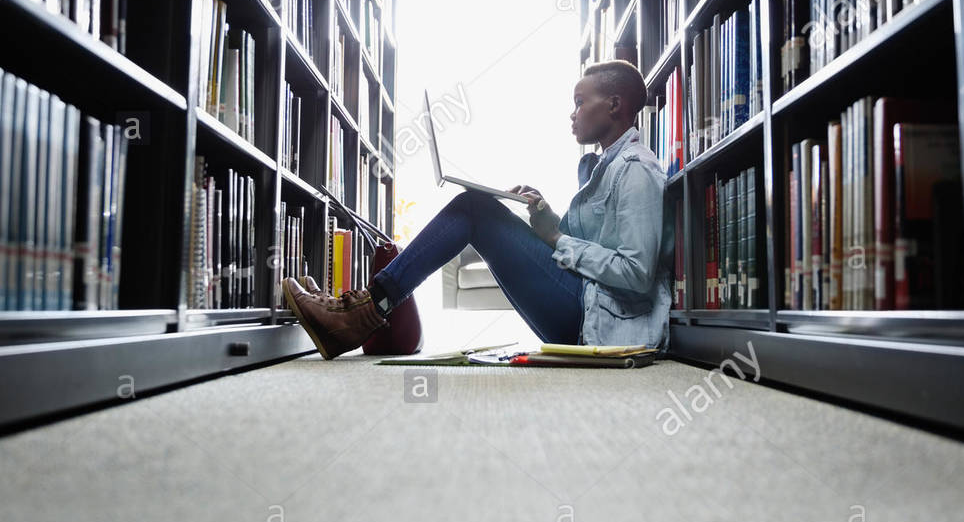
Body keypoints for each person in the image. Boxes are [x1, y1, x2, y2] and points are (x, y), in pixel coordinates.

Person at [282, 59, 674, 359]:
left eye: (579, 102)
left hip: (603, 325)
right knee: (476, 208)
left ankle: (362, 315)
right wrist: (547, 222)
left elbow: (636, 273)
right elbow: (585, 248)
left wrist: (556, 238)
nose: (572, 113)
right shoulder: (603, 167)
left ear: (614, 105)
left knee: (474, 209)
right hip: (587, 307)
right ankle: (364, 310)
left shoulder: (636, 170)